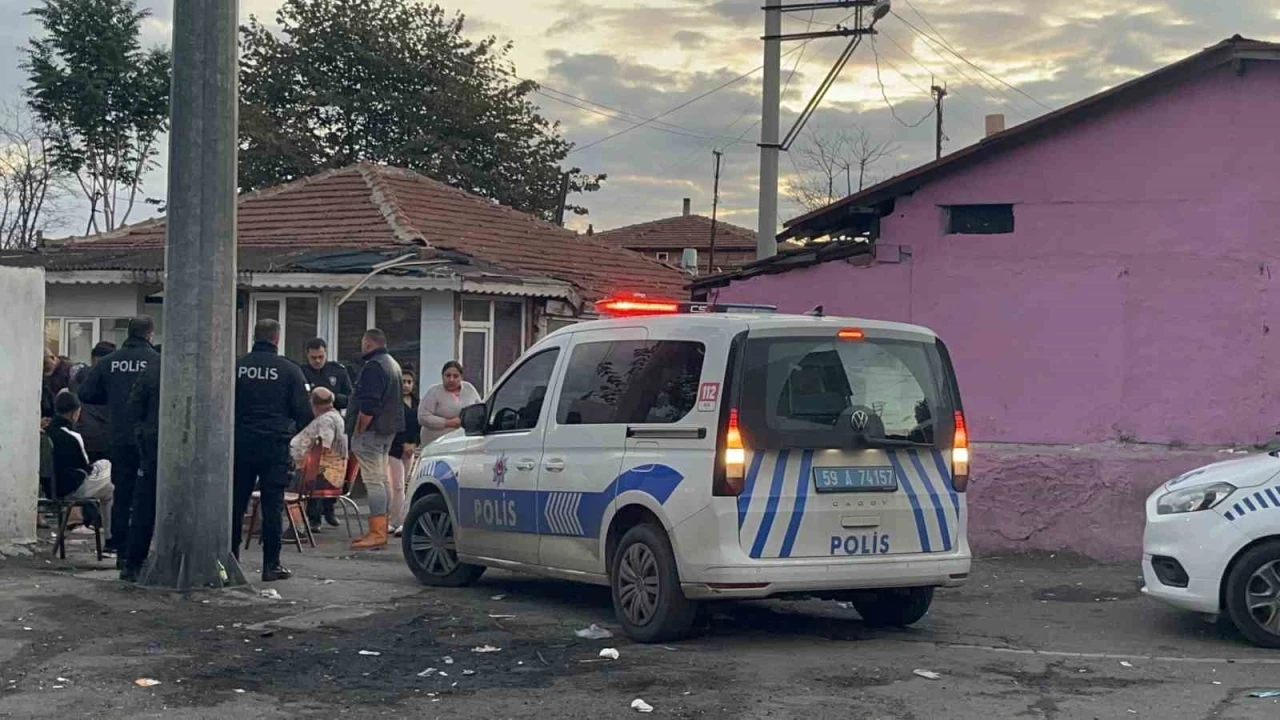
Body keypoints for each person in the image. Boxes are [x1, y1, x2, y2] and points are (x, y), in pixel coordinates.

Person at [233, 319, 312, 582]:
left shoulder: (237, 366)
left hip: (240, 445)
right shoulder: (289, 370)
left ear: (255, 337)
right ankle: (271, 565)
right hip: (274, 447)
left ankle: (230, 562)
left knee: (235, 505)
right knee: (272, 506)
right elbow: (305, 414)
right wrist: (285, 429)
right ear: (277, 339)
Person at [77, 318, 159, 561]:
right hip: (149, 438)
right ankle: (140, 552)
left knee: (122, 493)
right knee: (146, 495)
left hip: (119, 435)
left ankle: (120, 548)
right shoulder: (156, 362)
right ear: (150, 334)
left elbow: (86, 393)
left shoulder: (109, 362)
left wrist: (112, 399)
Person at [348, 329, 404, 551]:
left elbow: (368, 404)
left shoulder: (373, 366)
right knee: (382, 479)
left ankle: (377, 532)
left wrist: (359, 429)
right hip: (388, 429)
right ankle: (381, 527)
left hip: (372, 431)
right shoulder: (393, 364)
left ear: (368, 344)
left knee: (373, 480)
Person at [298, 337, 354, 532]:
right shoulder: (301, 373)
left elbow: (350, 397)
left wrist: (331, 397)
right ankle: (314, 517)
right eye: (313, 357)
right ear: (307, 355)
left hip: (333, 428)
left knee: (332, 470)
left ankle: (330, 508)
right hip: (310, 428)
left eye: (320, 357)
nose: (317, 361)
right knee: (313, 471)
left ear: (326, 354)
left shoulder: (337, 371)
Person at [44, 391, 114, 544]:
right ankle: (110, 537)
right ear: (74, 413)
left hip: (49, 488)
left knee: (106, 478)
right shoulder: (73, 436)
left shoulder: (45, 434)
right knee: (110, 483)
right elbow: (86, 468)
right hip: (72, 488)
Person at [283, 387, 349, 543]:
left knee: (285, 487)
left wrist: (304, 467)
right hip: (325, 471)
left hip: (322, 473)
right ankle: (299, 525)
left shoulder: (326, 421)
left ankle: (297, 529)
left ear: (313, 403)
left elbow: (322, 447)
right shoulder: (336, 417)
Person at [120, 352, 161, 581]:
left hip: (153, 446)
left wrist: (142, 434)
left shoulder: (151, 371)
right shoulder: (203, 369)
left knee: (144, 505)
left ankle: (133, 564)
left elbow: (132, 409)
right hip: (195, 451)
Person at [388, 367, 421, 537]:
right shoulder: (392, 403)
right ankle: (395, 521)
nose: (406, 385)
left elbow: (420, 425)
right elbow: (391, 426)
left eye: (409, 382)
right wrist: (403, 444)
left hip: (411, 449)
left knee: (407, 485)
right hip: (394, 448)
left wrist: (414, 443)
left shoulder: (417, 403)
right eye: (403, 382)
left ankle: (403, 520)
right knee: (397, 486)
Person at [418, 361, 482, 447]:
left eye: (455, 376)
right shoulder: (434, 391)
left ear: (461, 377)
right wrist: (448, 423)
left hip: (462, 442)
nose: (451, 379)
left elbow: (479, 410)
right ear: (442, 376)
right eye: (448, 376)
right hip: (435, 444)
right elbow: (423, 417)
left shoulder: (469, 389)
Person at [72, 342, 116, 463]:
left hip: (85, 434)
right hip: (110, 436)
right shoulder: (116, 377)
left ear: (93, 358)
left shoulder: (81, 375)